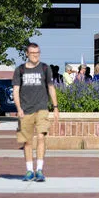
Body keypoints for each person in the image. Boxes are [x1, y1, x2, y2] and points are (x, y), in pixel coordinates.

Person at [13, 43, 59, 182]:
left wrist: (55, 107)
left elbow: (51, 87)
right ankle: (29, 170)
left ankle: (39, 169)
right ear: (27, 54)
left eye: (37, 52)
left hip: (42, 108)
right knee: (27, 141)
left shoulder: (45, 68)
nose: (35, 55)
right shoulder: (20, 70)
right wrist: (19, 108)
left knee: (40, 137)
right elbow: (15, 90)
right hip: (25, 110)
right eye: (32, 53)